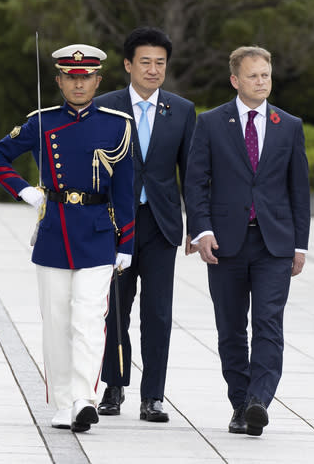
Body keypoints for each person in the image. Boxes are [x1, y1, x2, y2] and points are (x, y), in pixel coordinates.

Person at [0, 44, 134, 433]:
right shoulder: (42, 121)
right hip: (55, 231)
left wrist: (127, 243)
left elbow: (125, 188)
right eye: (70, 77)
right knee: (56, 321)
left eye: (85, 78)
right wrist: (26, 191)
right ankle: (64, 401)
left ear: (98, 81)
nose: (78, 84)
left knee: (88, 318)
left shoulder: (118, 123)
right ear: (59, 80)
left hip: (99, 233)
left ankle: (84, 398)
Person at [185, 46, 310, 436]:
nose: (261, 82)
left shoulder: (288, 125)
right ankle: (240, 402)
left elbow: (299, 189)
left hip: (275, 243)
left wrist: (300, 244)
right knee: (231, 328)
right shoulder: (210, 123)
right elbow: (195, 182)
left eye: (266, 75)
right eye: (253, 76)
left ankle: (259, 400)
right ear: (235, 80)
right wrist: (201, 230)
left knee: (269, 323)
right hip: (226, 244)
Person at [96, 27, 196, 422]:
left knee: (158, 313)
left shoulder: (182, 110)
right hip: (114, 224)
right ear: (128, 65)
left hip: (161, 225)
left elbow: (192, 173)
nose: (153, 70)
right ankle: (114, 387)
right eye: (145, 62)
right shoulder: (105, 106)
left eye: (160, 63)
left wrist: (197, 226)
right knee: (114, 309)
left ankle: (153, 396)